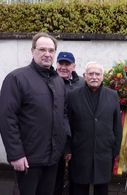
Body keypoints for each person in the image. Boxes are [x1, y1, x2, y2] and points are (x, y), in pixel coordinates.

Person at [0, 32, 68, 195]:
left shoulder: (58, 81)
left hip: (52, 159)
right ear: (32, 51)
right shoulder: (16, 78)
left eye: (51, 50)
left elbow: (62, 115)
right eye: (42, 49)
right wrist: (16, 154)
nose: (47, 54)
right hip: (28, 159)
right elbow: (7, 118)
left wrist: (63, 147)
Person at [67, 62, 122, 195]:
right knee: (79, 189)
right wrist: (68, 149)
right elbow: (68, 124)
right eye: (90, 74)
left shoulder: (113, 95)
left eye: (98, 74)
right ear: (84, 76)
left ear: (103, 77)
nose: (94, 77)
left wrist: (115, 149)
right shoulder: (73, 95)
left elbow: (117, 125)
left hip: (104, 152)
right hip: (80, 152)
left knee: (102, 189)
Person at [54, 51, 84, 195]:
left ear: (74, 66)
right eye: (61, 63)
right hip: (57, 136)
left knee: (75, 177)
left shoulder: (82, 83)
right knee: (56, 176)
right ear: (56, 64)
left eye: (67, 64)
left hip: (77, 137)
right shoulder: (50, 80)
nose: (63, 67)